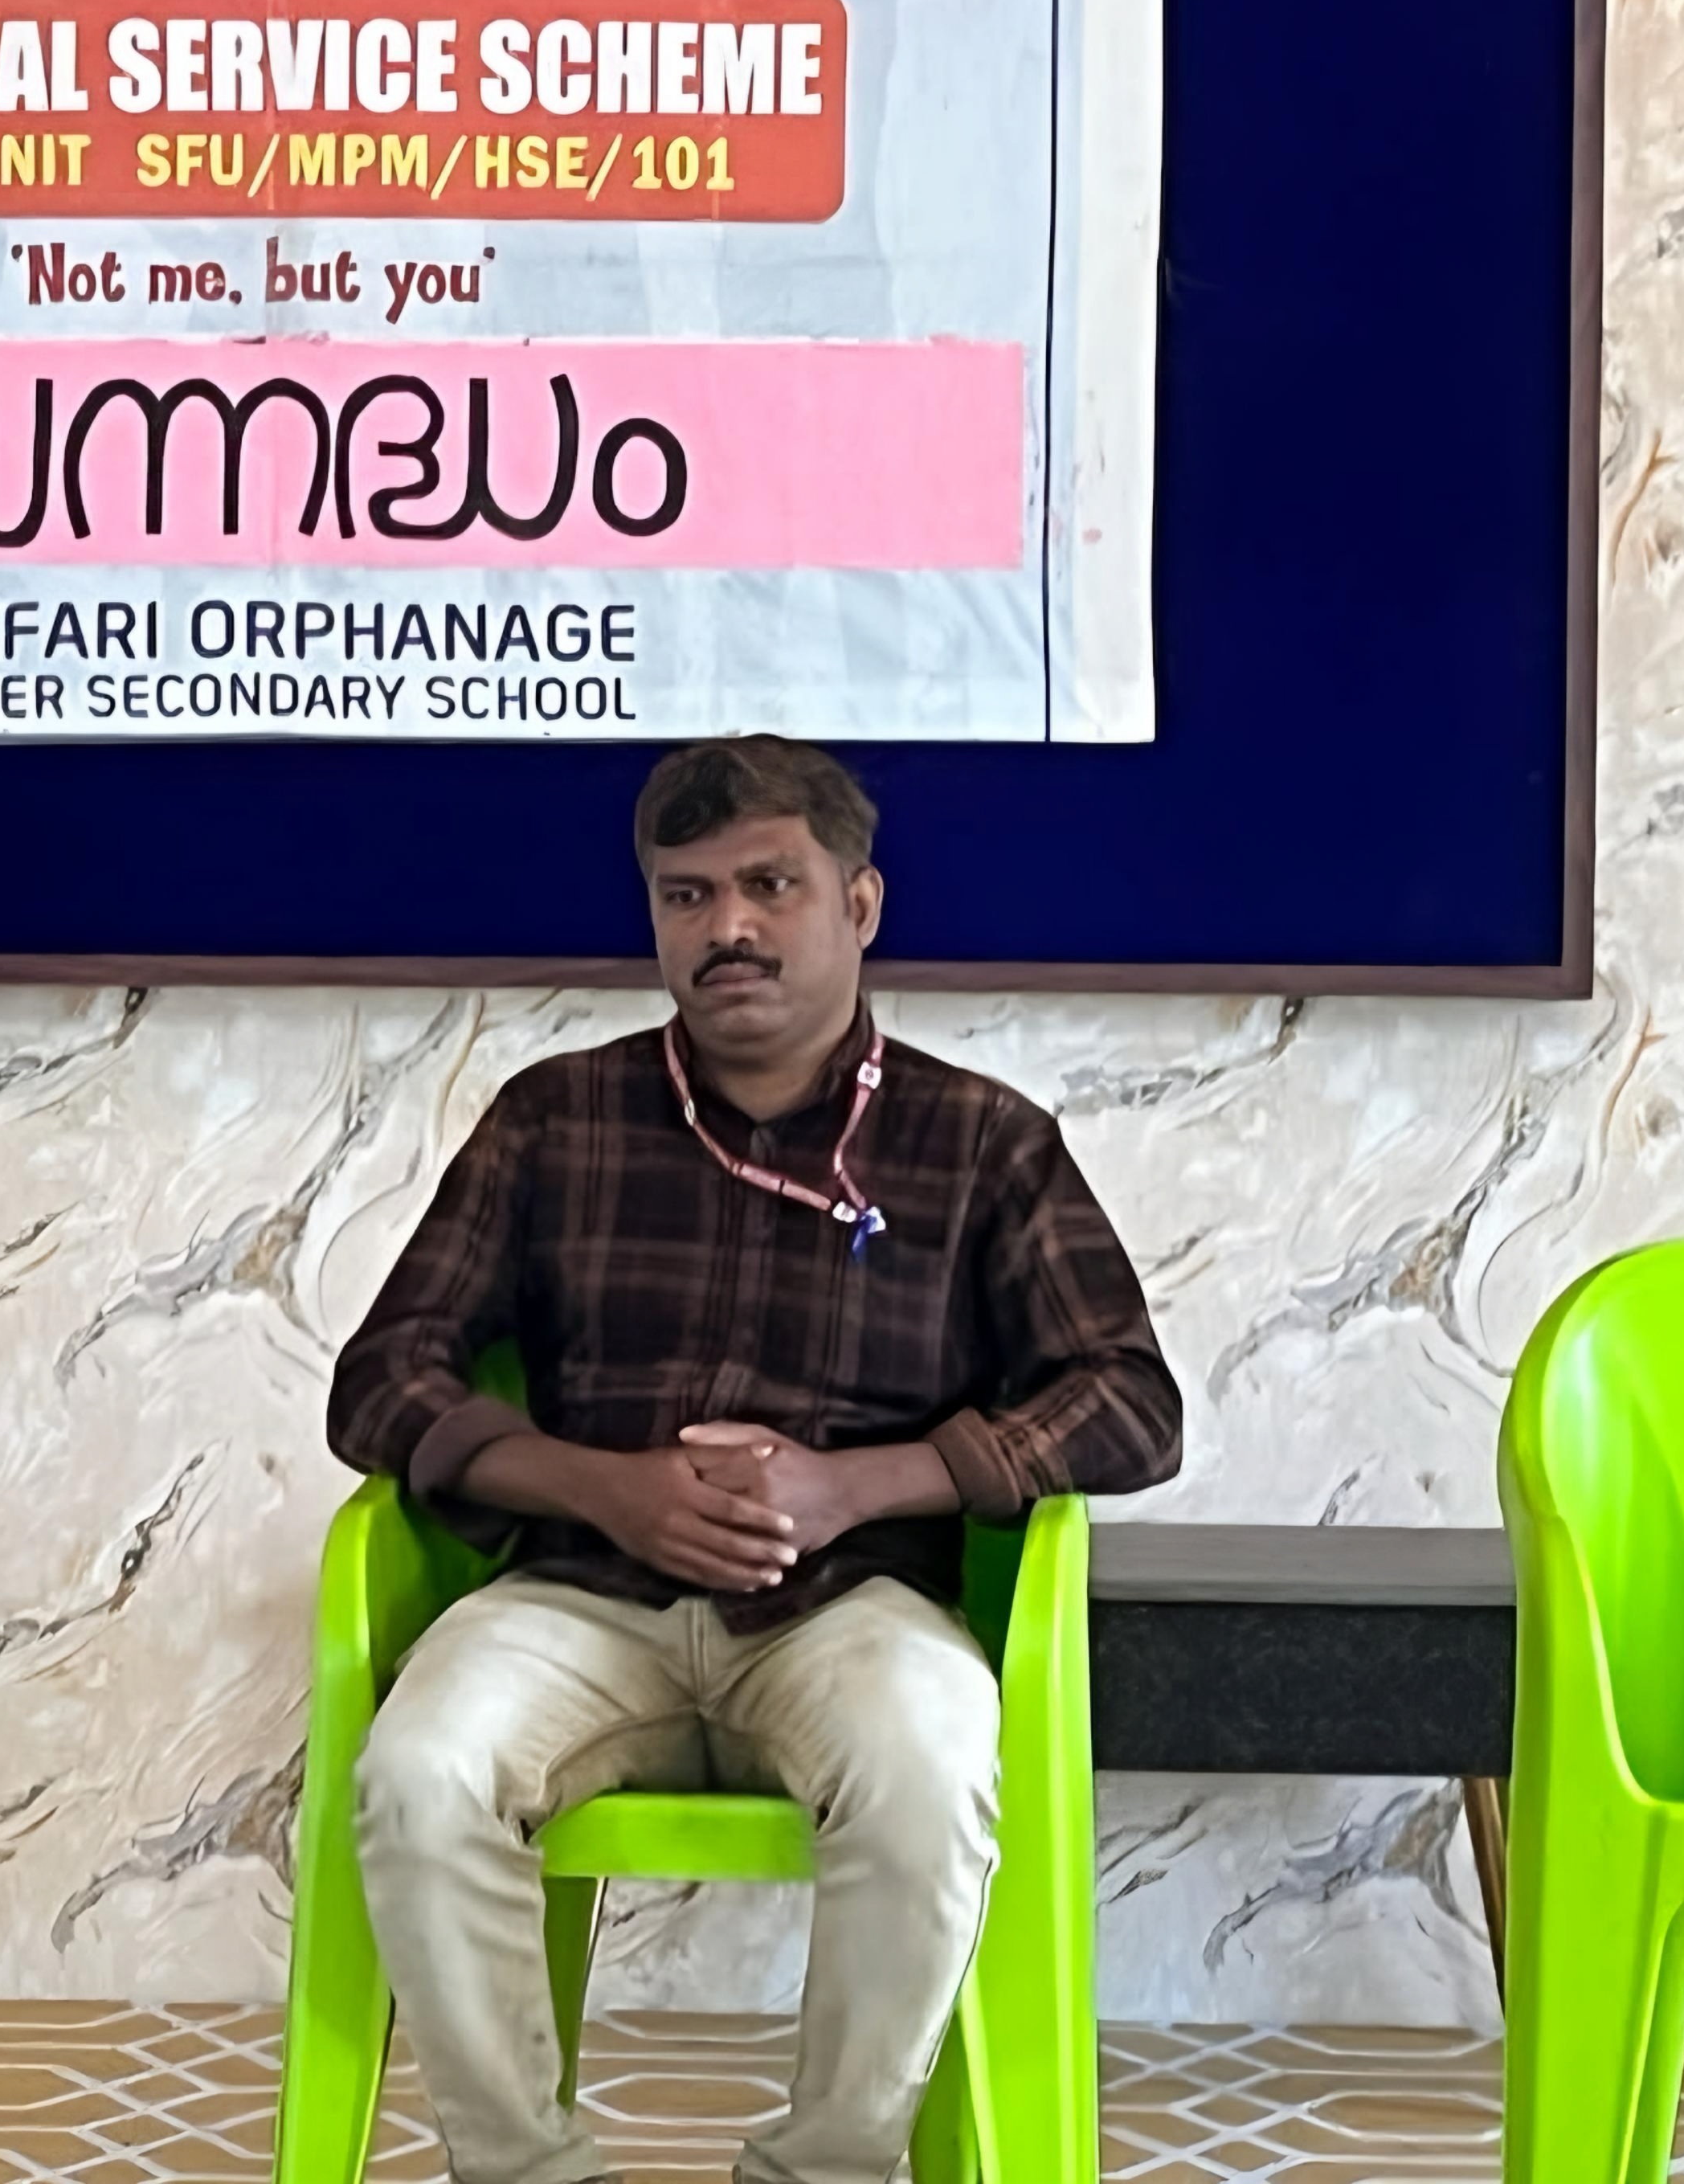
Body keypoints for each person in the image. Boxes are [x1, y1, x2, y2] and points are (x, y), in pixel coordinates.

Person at [328, 735, 1182, 2184]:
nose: (727, 926)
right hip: (582, 1599)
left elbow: (1130, 1402)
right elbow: (382, 1379)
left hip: (849, 1610)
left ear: (860, 904)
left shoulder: (982, 1142)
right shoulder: (554, 1120)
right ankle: (527, 2173)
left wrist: (863, 1483)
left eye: (770, 885)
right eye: (687, 895)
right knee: (419, 1770)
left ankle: (821, 2170)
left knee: (931, 1763)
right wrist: (603, 1486)